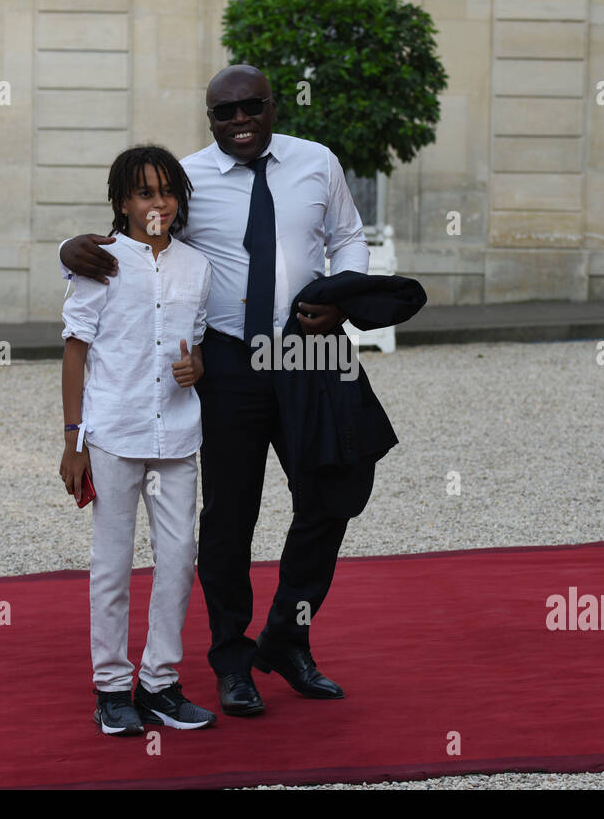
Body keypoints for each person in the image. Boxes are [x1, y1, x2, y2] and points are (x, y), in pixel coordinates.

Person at [59, 65, 370, 717]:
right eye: (223, 113)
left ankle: (288, 634)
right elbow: (129, 239)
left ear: (272, 106)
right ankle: (232, 659)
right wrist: (68, 247)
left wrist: (343, 299)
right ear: (210, 119)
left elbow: (348, 238)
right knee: (230, 517)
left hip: (309, 352)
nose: (238, 121)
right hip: (227, 361)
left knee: (332, 490)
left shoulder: (318, 164)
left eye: (250, 107)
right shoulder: (188, 177)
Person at [59, 144, 216, 735]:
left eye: (167, 191)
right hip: (113, 432)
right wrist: (73, 441)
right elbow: (75, 353)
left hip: (177, 435)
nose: (159, 203)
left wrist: (194, 369)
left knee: (178, 559)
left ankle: (159, 684)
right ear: (122, 202)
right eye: (145, 192)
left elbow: (193, 345)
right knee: (112, 563)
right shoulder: (100, 262)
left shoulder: (197, 268)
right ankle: (109, 688)